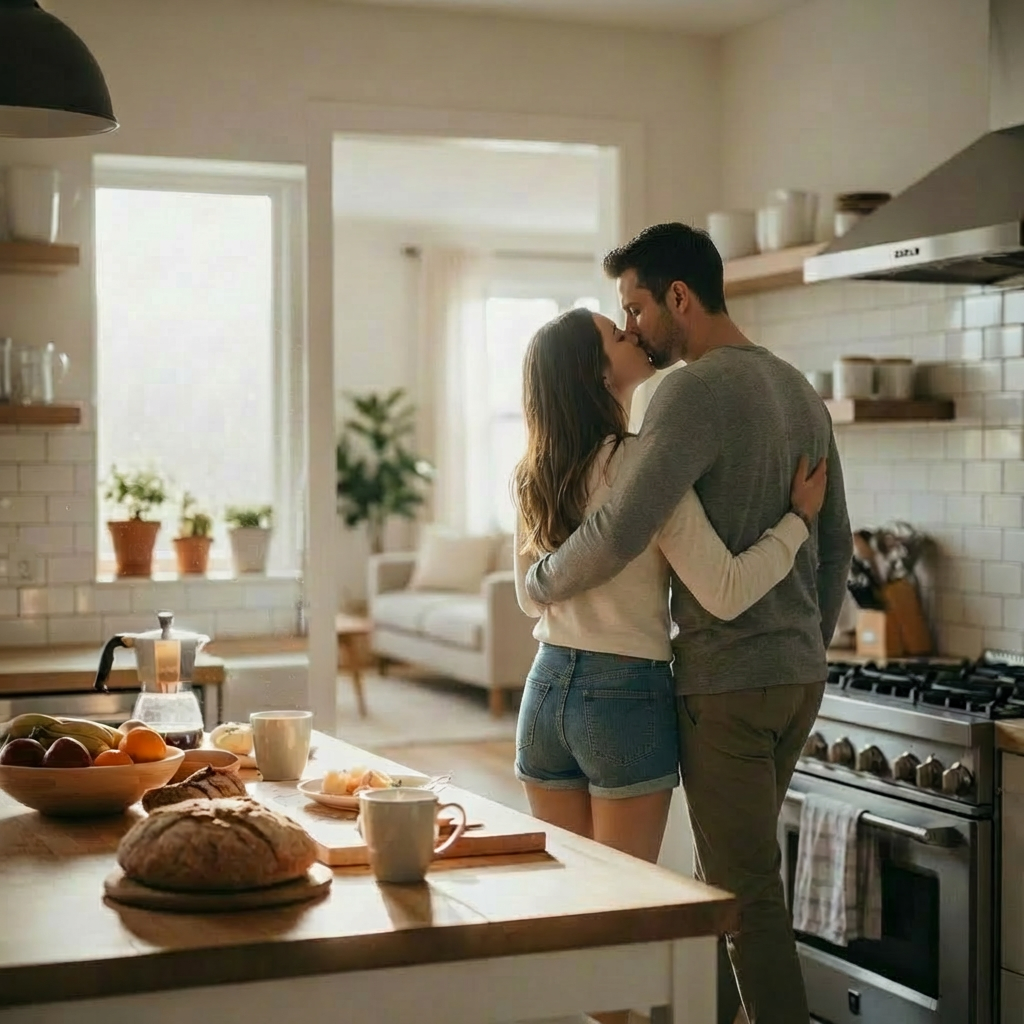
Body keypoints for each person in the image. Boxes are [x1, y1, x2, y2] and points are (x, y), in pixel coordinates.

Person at [524, 225, 853, 1024]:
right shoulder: (800, 389)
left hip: (727, 681)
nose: (631, 326)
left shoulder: (689, 392)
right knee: (716, 883)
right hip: (795, 679)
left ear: (678, 297)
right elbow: (836, 541)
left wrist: (537, 585)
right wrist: (806, 642)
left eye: (634, 306)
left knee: (739, 893)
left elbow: (619, 529)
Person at [512, 306, 825, 869]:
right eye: (615, 332)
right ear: (598, 373)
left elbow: (528, 595)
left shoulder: (533, 472)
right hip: (623, 696)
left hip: (544, 689)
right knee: (626, 911)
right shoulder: (645, 467)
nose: (631, 330)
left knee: (566, 905)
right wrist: (796, 523)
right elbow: (725, 590)